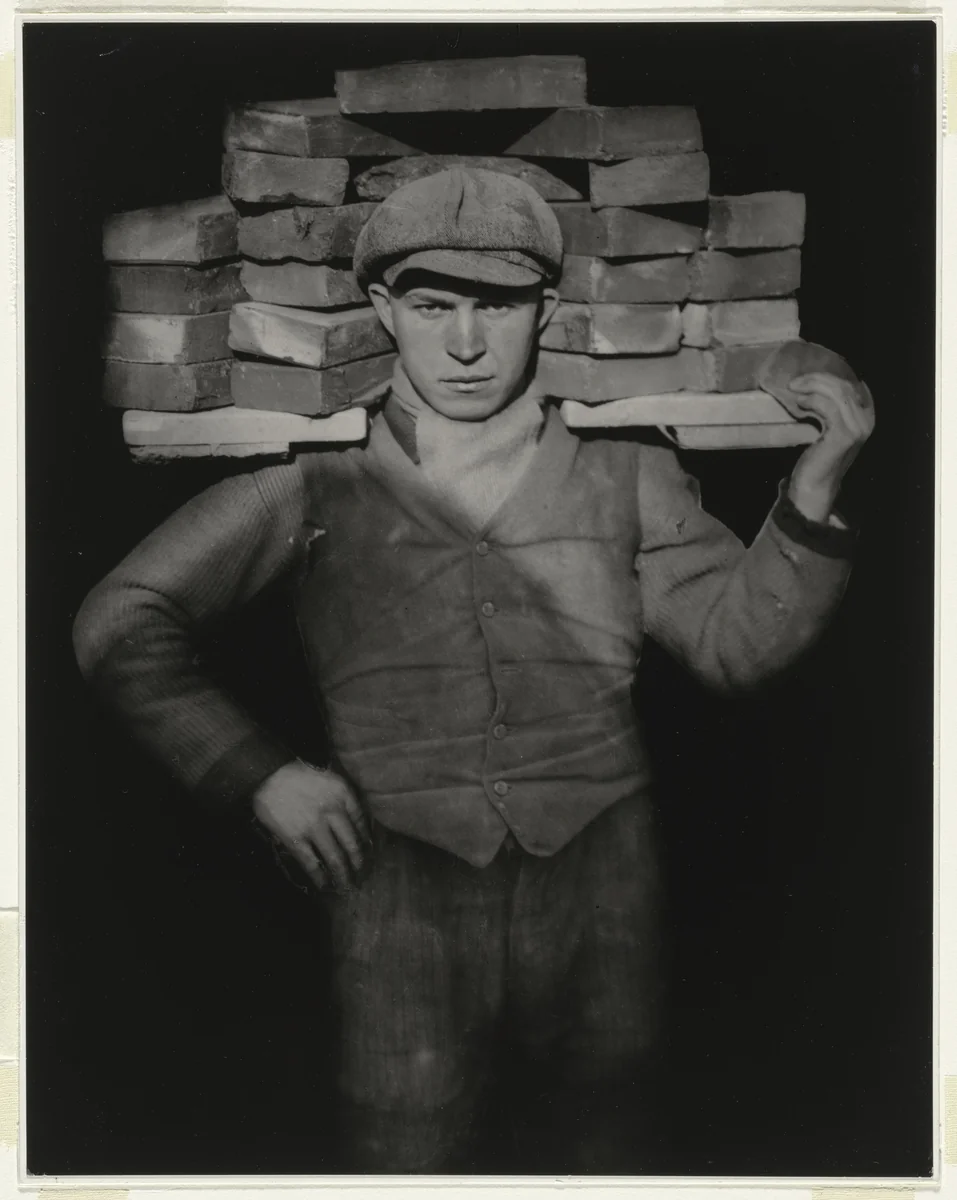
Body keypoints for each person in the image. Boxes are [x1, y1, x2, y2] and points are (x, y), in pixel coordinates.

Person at [73, 167, 875, 1174]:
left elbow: (736, 645)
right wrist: (258, 772)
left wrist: (815, 487)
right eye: (431, 304)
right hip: (399, 893)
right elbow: (119, 618)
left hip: (601, 886)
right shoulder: (312, 474)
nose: (463, 343)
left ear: (544, 309)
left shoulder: (628, 472)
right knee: (409, 1155)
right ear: (381, 309)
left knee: (604, 1153)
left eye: (494, 307)